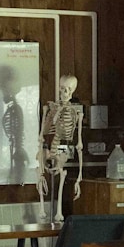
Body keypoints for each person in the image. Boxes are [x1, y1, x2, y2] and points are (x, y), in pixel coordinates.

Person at [36, 74, 84, 222]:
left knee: (61, 169)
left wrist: (79, 178)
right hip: (51, 143)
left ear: (73, 91)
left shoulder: (76, 112)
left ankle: (59, 212)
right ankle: (43, 207)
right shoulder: (51, 108)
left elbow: (79, 144)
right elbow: (43, 134)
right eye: (62, 89)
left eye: (68, 90)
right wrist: (51, 115)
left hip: (65, 143)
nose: (64, 93)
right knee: (41, 154)